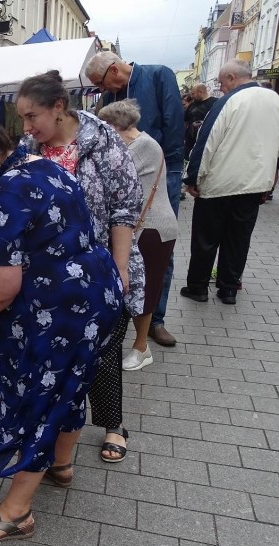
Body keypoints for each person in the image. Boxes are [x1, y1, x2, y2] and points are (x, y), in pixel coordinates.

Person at [0, 99, 122, 542]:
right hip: (97, 299)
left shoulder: (2, 195)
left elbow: (1, 288)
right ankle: (62, 464)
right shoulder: (45, 166)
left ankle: (17, 510)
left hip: (60, 314)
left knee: (40, 401)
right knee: (70, 385)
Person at [17, 70, 144, 463]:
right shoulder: (28, 148)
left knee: (103, 352)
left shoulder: (100, 140)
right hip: (49, 275)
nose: (26, 127)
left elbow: (125, 205)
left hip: (101, 265)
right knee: (55, 355)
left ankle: (113, 425)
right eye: (22, 118)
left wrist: (120, 269)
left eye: (31, 116)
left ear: (58, 108)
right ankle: (58, 434)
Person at [87, 51, 184, 349]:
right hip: (129, 165)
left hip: (158, 166)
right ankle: (125, 315)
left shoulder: (158, 75)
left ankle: (155, 320)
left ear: (114, 69)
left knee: (156, 254)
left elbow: (173, 124)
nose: (102, 92)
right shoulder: (110, 99)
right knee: (127, 248)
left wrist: (158, 164)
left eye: (101, 84)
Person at [182, 59, 279, 304]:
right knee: (238, 238)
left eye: (221, 82)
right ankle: (228, 288)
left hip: (220, 183)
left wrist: (194, 177)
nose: (221, 88)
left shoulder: (229, 102)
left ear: (231, 77)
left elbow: (207, 142)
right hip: (255, 183)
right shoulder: (275, 100)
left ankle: (198, 287)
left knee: (206, 238)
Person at [99, 100, 179, 371]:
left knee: (145, 287)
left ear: (116, 126)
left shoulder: (141, 146)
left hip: (152, 228)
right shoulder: (135, 143)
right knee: (135, 286)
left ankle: (142, 348)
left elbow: (109, 176)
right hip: (142, 227)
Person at [184, 84, 217, 161]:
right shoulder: (192, 105)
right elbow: (186, 121)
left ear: (201, 92)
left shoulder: (215, 103)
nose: (191, 96)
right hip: (190, 142)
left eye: (193, 93)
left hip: (206, 142)